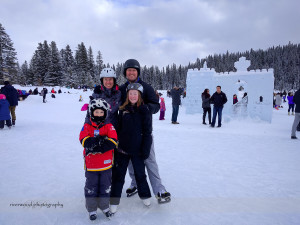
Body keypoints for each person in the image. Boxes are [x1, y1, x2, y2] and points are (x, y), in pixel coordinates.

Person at [119, 59, 171, 204]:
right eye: (128, 70)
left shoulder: (146, 87)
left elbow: (155, 105)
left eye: (134, 70)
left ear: (138, 72)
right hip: (126, 134)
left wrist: (145, 108)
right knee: (130, 161)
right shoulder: (122, 89)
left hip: (143, 133)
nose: (131, 72)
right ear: (125, 72)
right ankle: (135, 184)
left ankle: (159, 189)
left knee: (149, 160)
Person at [110, 83, 152, 213]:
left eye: (135, 93)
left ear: (139, 95)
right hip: (122, 149)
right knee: (118, 175)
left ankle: (145, 195)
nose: (133, 95)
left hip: (138, 151)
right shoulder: (122, 110)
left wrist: (145, 149)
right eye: (131, 93)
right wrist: (114, 145)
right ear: (127, 95)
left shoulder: (144, 110)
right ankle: (114, 200)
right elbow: (117, 129)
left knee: (140, 174)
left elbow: (147, 132)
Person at [79, 98, 118, 221]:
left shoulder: (109, 126)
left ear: (105, 113)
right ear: (91, 112)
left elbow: (113, 141)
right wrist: (96, 140)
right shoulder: (87, 126)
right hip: (91, 165)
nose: (99, 114)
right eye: (97, 112)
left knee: (105, 187)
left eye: (101, 112)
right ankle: (91, 209)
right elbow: (84, 140)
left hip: (106, 165)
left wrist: (100, 147)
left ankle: (104, 206)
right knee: (91, 187)